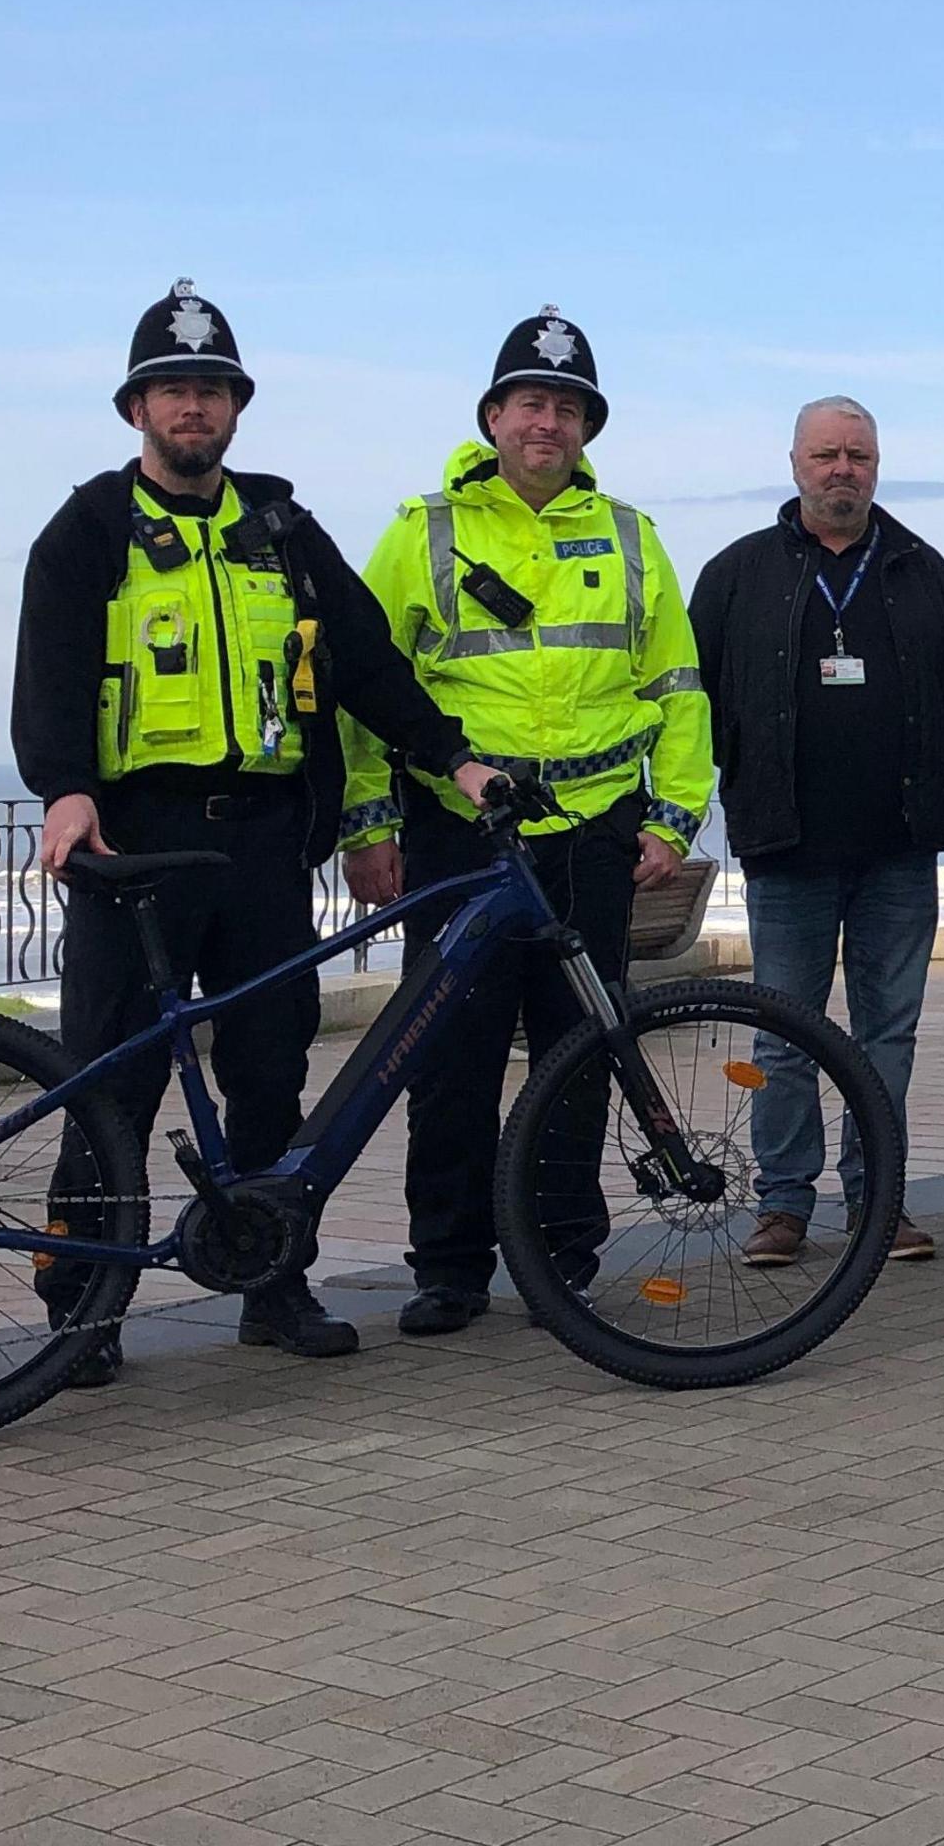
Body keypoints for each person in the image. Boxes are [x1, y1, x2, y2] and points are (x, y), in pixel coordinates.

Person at [11, 280, 503, 1387]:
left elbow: (372, 667)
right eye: (173, 390)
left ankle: (269, 1279)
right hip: (133, 843)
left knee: (272, 1073)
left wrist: (454, 759)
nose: (194, 408)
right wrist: (64, 790)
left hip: (266, 843)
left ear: (238, 407)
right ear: (136, 408)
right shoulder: (90, 528)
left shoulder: (281, 529)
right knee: (113, 1079)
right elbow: (47, 674)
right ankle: (84, 1304)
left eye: (212, 391)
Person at [338, 306, 714, 1337]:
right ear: (494, 415)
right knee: (448, 1058)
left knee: (581, 1055)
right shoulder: (424, 533)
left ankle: (562, 1264)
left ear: (588, 427)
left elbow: (679, 686)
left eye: (568, 407)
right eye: (531, 403)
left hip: (591, 830)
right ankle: (449, 1268)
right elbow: (365, 689)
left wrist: (673, 818)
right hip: (462, 834)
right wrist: (367, 825)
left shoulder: (633, 536)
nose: (548, 422)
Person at [687, 396, 944, 1266]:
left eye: (860, 456)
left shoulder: (925, 572)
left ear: (878, 466)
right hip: (784, 846)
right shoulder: (737, 573)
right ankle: (783, 1206)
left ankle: (879, 1201)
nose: (844, 470)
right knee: (784, 1038)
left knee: (888, 1037)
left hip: (900, 847)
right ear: (795, 463)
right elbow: (696, 709)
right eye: (827, 456)